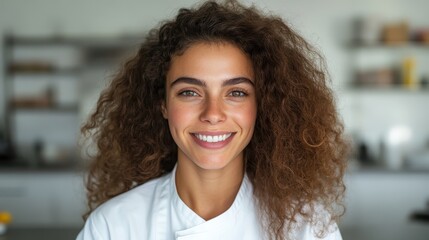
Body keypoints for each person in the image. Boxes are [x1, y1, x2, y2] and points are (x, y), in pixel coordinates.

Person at [76, 0, 348, 239]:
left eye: (237, 93)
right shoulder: (113, 227)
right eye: (190, 92)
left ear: (261, 105)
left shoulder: (308, 228)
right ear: (163, 104)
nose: (213, 114)